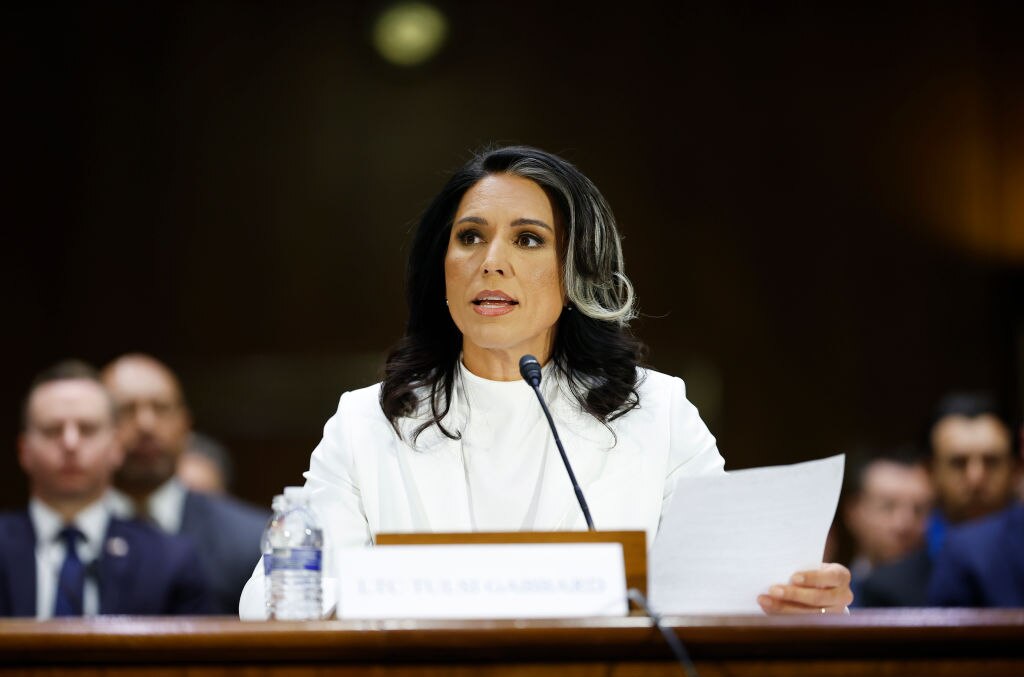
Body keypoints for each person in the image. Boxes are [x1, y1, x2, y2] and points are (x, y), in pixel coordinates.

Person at [238, 145, 853, 618]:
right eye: (470, 237)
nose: (491, 261)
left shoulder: (657, 413)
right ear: (442, 268)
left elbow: (721, 584)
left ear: (575, 270)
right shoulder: (367, 422)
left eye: (528, 239)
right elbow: (275, 593)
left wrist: (798, 597)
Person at [0, 360, 214, 616]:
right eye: (52, 430)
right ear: (24, 450)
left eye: (87, 429)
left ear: (115, 448)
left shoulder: (169, 560)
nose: (70, 443)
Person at [101, 354, 269, 614]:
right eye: (125, 410)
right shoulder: (70, 536)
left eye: (161, 408)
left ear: (185, 425)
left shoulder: (251, 540)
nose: (146, 424)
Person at [858, 392, 1018, 606]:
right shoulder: (888, 588)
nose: (976, 478)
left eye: (992, 462)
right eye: (958, 463)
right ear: (929, 472)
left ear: (1015, 469)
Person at [841, 447, 933, 605]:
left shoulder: (948, 593)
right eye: (887, 506)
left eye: (918, 510)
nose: (904, 524)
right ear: (853, 512)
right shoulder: (825, 593)